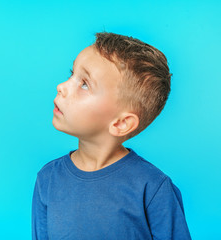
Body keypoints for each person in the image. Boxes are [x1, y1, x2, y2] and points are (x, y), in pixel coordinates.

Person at [32, 32, 192, 239]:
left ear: (121, 123)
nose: (61, 87)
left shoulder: (152, 188)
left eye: (84, 84)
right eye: (72, 74)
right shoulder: (47, 179)